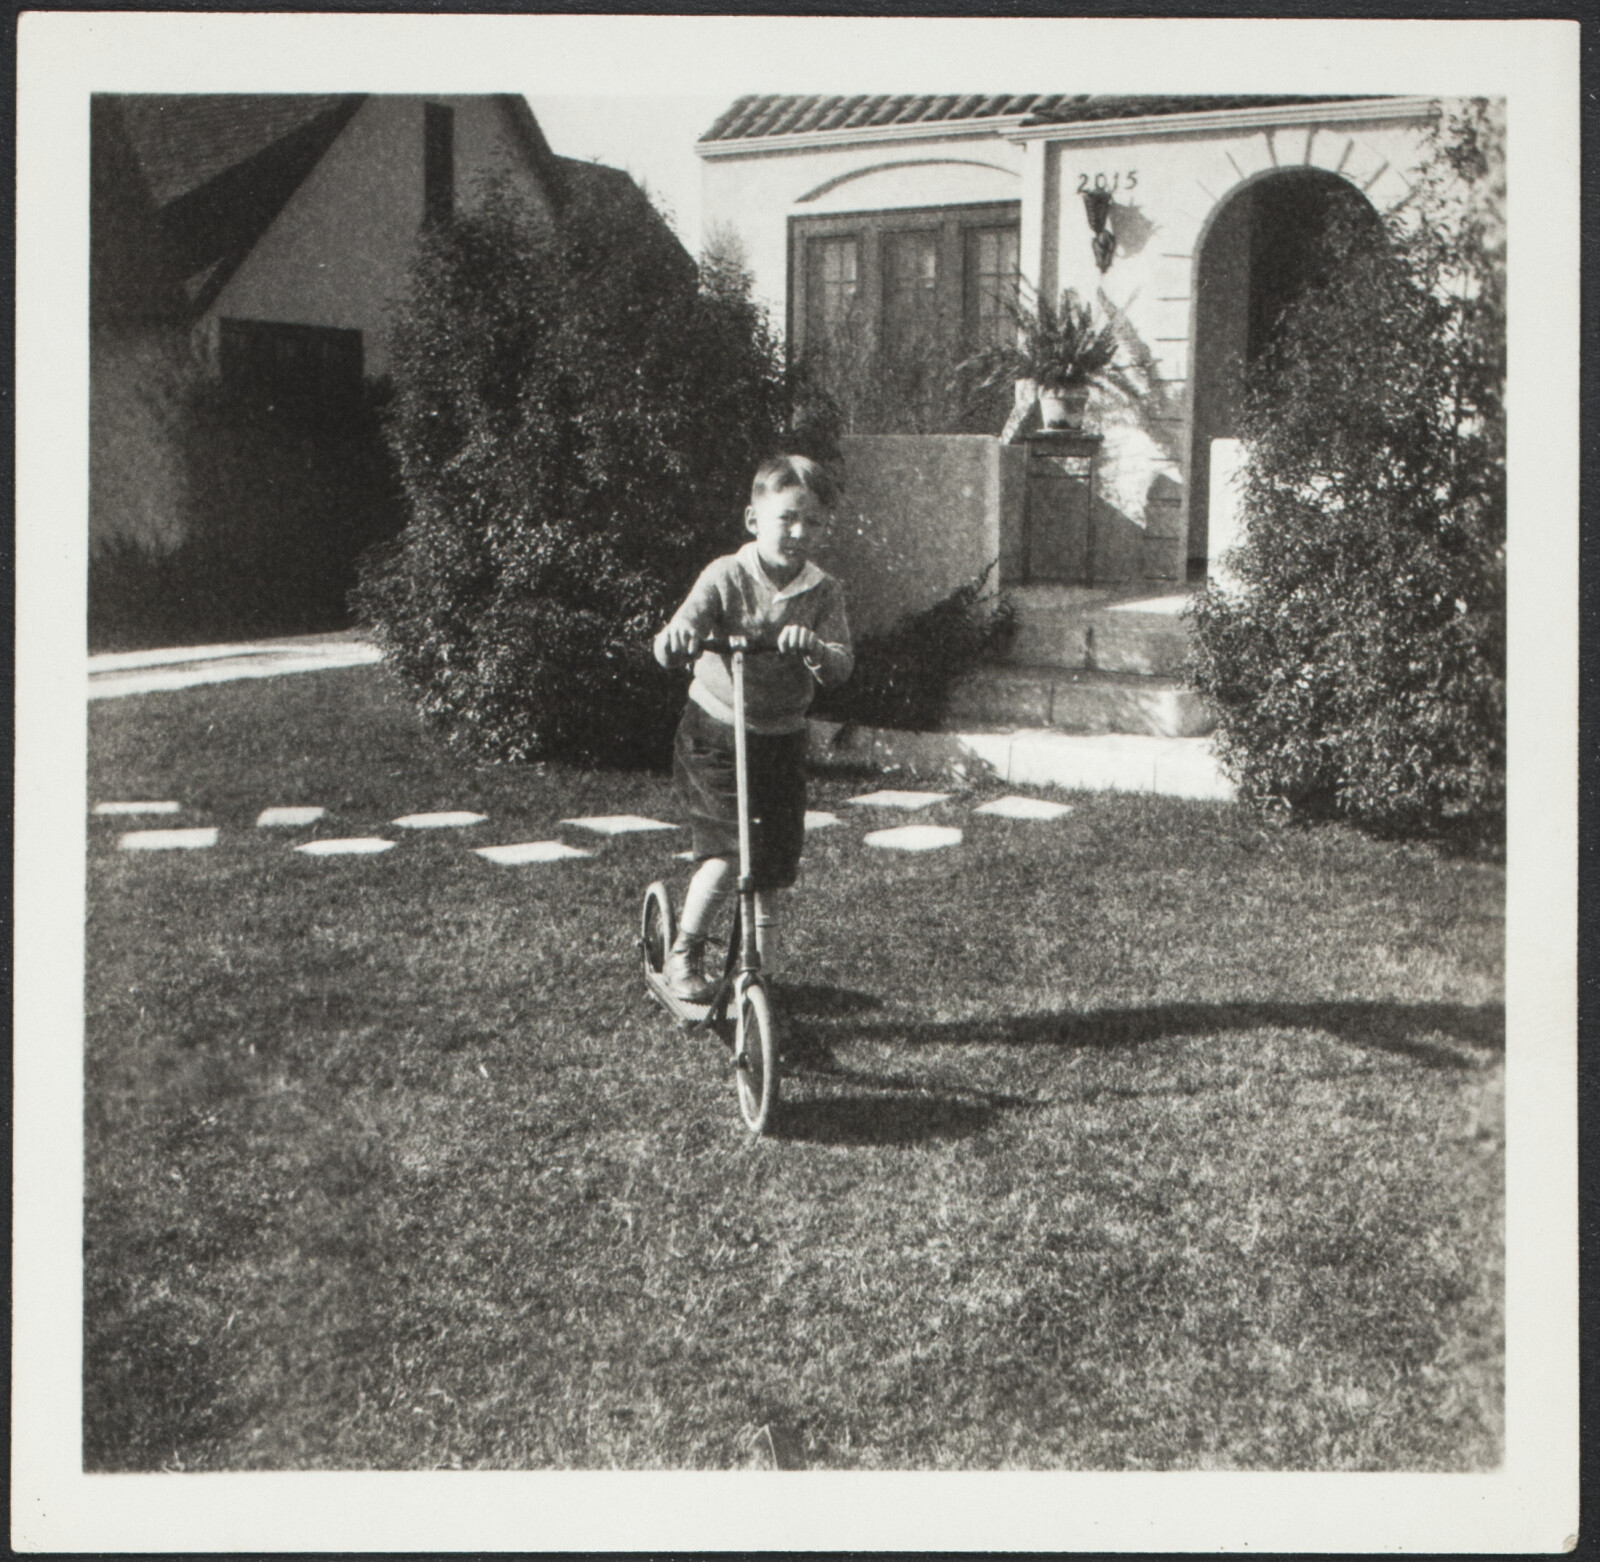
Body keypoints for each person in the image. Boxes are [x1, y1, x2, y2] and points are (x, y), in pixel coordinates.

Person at [653, 454, 853, 1001]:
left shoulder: (823, 591)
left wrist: (814, 647)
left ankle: (754, 965)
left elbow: (841, 665)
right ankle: (685, 950)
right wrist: (676, 642)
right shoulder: (725, 576)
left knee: (775, 859)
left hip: (781, 737)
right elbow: (677, 634)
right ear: (752, 519)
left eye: (812, 523)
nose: (798, 532)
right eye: (787, 517)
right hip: (715, 732)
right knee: (731, 849)